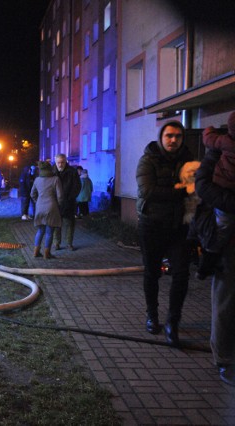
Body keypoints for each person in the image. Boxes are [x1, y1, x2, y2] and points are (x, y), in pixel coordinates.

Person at [135, 120, 194, 346]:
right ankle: (152, 315)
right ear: (161, 137)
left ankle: (173, 321)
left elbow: (195, 190)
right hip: (152, 225)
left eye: (178, 136)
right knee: (152, 273)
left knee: (181, 274)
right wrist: (180, 191)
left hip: (179, 227)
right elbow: (148, 191)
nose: (173, 140)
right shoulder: (148, 159)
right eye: (169, 135)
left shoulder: (188, 160)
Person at [195, 147, 235, 387]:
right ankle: (224, 359)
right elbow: (204, 186)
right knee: (225, 300)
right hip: (228, 246)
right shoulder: (218, 153)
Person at [193, 116, 235, 278]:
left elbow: (209, 139)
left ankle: (208, 259)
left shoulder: (222, 142)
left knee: (220, 229)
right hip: (224, 197)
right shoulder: (221, 146)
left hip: (221, 190)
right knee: (221, 230)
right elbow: (202, 185)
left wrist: (208, 130)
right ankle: (208, 261)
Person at [30, 161, 64, 259]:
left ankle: (35, 252)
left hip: (40, 206)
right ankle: (47, 253)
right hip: (52, 206)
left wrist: (38, 201)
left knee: (40, 230)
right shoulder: (55, 179)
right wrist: (59, 205)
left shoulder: (37, 180)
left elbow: (32, 194)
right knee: (49, 232)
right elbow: (60, 196)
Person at [52, 154, 81, 250]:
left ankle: (69, 243)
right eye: (58, 162)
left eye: (62, 162)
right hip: (56, 203)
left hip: (69, 203)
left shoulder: (72, 172)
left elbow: (77, 187)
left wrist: (70, 198)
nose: (60, 165)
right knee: (56, 224)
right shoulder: (52, 172)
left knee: (70, 224)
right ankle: (57, 243)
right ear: (55, 162)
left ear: (66, 161)